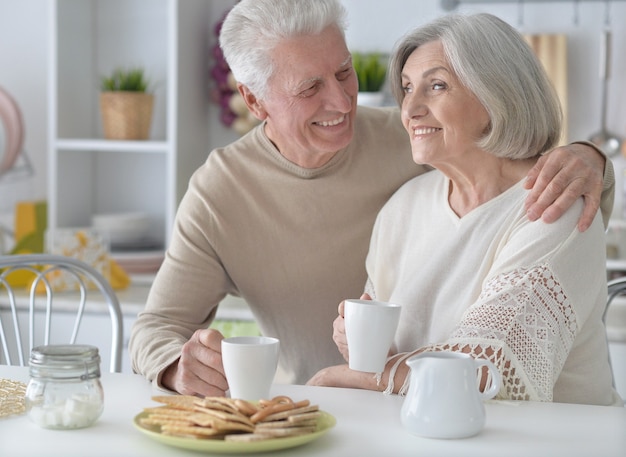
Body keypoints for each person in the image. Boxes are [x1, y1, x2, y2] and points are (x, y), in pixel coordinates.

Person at [129, 0, 614, 398]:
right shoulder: (223, 191)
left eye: (344, 72)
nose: (343, 104)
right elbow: (157, 326)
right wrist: (177, 367)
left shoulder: (418, 144)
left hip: (424, 407)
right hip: (338, 410)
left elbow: (529, 177)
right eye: (310, 88)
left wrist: (593, 156)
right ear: (254, 102)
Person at [307, 12, 622, 407]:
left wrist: (348, 378)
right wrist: (360, 343)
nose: (410, 109)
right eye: (407, 89)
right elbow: (393, 363)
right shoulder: (402, 207)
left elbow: (490, 375)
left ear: (497, 94)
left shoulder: (552, 204)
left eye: (436, 86)